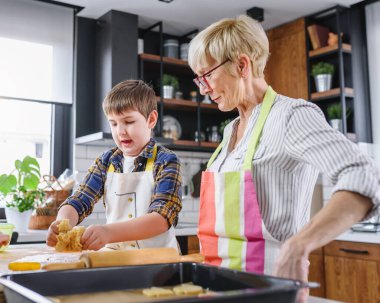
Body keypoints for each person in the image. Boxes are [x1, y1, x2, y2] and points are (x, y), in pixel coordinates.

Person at [188, 14, 380, 285]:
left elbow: (363, 175)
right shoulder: (229, 130)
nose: (203, 88)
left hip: (268, 288)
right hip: (218, 285)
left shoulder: (291, 116)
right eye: (199, 79)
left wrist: (299, 245)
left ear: (242, 65)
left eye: (207, 75)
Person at [46, 80, 182, 251]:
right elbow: (79, 200)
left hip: (158, 263)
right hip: (115, 259)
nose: (120, 131)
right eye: (114, 123)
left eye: (129, 121)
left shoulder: (166, 161)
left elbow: (161, 219)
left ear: (151, 119)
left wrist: (108, 233)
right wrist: (62, 224)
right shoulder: (106, 161)